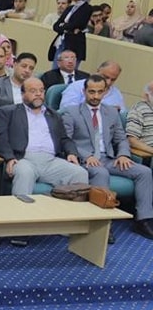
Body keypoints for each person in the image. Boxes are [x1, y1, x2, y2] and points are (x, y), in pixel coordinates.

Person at [62, 75, 153, 240]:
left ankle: (143, 220)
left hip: (109, 158)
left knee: (144, 172)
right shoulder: (72, 112)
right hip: (84, 160)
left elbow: (121, 138)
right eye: (91, 92)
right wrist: (86, 156)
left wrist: (123, 154)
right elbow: (66, 140)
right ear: (84, 91)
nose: (95, 96)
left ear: (105, 92)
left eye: (99, 92)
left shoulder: (111, 112)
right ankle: (103, 223)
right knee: (100, 172)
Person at [0, 77, 87, 208]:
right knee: (25, 173)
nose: (38, 94)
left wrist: (71, 153)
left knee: (80, 173)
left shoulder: (54, 115)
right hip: (23, 159)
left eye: (41, 91)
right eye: (33, 91)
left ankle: (72, 217)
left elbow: (64, 138)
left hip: (51, 161)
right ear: (22, 94)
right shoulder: (8, 112)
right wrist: (9, 157)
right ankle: (21, 216)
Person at [49, 0, 92, 64]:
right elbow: (56, 25)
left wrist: (64, 26)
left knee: (69, 66)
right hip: (62, 39)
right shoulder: (70, 8)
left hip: (74, 42)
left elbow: (76, 24)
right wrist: (65, 28)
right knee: (56, 65)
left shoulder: (87, 8)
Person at [59, 61, 125, 111]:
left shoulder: (116, 93)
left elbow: (123, 116)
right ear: (97, 71)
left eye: (113, 80)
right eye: (106, 77)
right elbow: (66, 110)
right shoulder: (76, 87)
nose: (108, 82)